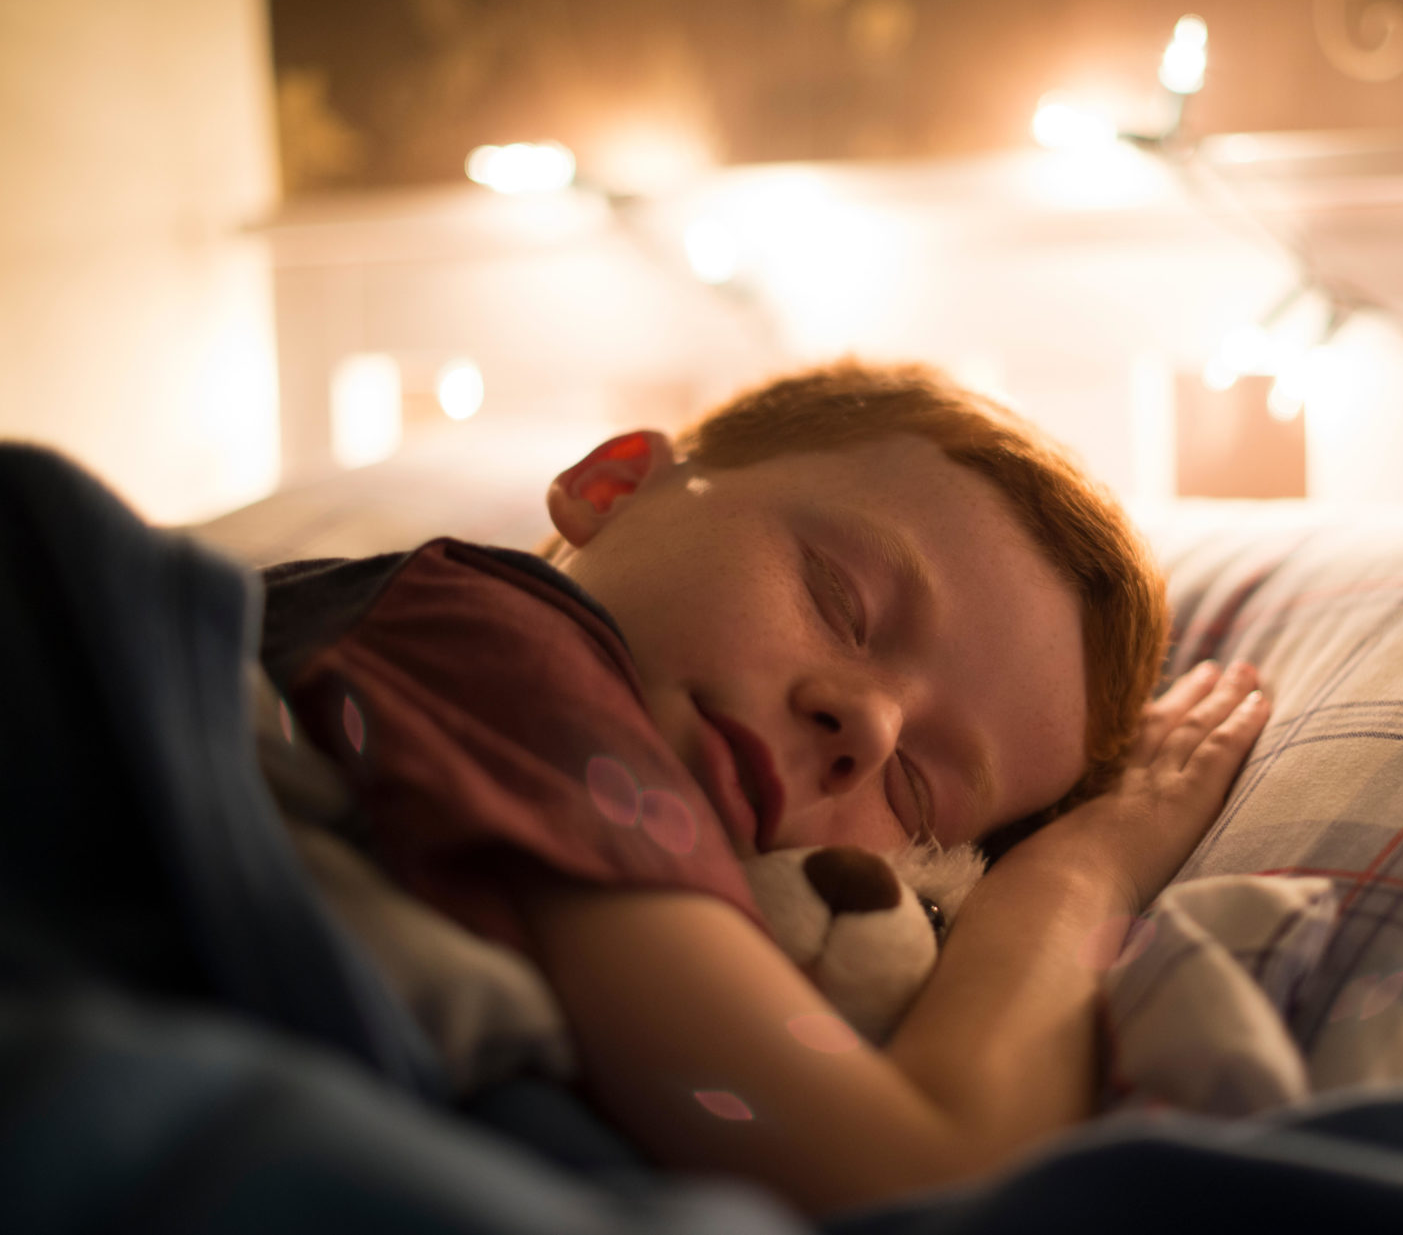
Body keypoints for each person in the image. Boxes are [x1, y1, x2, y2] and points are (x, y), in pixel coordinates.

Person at [258, 361, 1269, 1216]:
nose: (868, 727)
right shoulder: (497, 642)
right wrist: (1083, 868)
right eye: (841, 601)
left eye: (916, 792)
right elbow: (917, 1172)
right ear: (611, 486)